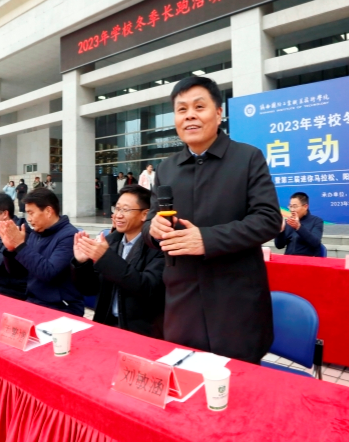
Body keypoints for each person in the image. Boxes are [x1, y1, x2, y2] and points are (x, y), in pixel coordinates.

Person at [143, 76, 281, 364]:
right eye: (181, 109)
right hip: (182, 302)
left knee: (239, 382)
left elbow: (268, 219)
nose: (189, 115)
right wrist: (153, 229)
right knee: (186, 377)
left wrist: (206, 240)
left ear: (218, 113)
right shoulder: (167, 168)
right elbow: (151, 222)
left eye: (199, 107)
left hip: (236, 303)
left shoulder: (248, 158)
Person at [72, 185, 165, 338]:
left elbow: (147, 287)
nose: (118, 215)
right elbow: (89, 289)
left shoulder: (158, 247)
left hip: (140, 333)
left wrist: (106, 258)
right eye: (117, 209)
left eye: (125, 210)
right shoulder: (110, 242)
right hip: (107, 325)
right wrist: (82, 263)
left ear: (145, 214)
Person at [0, 188, 84, 316]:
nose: (29, 219)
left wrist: (20, 245)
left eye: (31, 213)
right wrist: (11, 250)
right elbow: (18, 273)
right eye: (27, 214)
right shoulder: (36, 233)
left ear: (48, 211)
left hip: (62, 307)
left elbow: (48, 272)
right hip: (34, 301)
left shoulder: (69, 236)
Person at [274, 192, 324, 256]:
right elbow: (279, 246)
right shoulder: (289, 221)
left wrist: (298, 227)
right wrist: (281, 231)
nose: (292, 210)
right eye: (290, 206)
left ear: (305, 207)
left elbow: (316, 243)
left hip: (308, 260)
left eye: (295, 206)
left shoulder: (316, 221)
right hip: (289, 259)